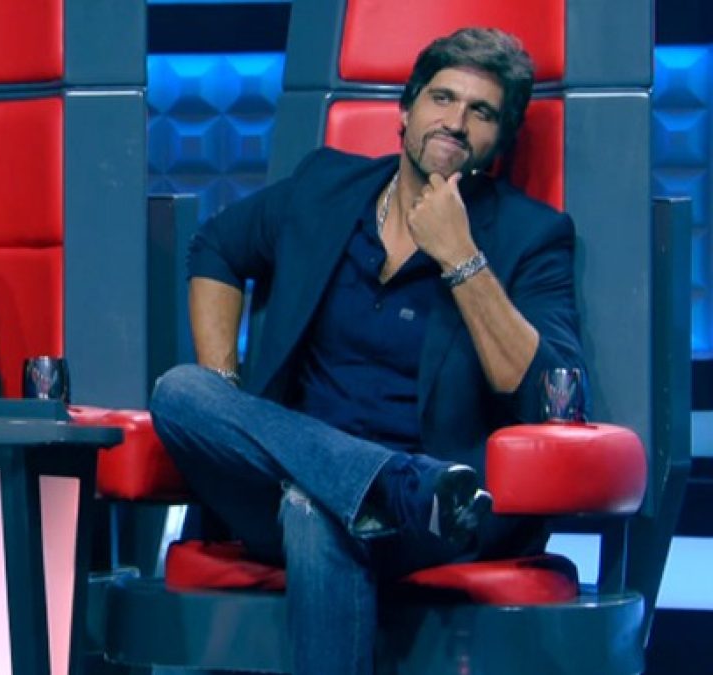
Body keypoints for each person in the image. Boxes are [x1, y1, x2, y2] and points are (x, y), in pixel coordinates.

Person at [149, 27, 583, 674]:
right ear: (406, 110)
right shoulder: (325, 188)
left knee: (317, 507)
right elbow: (216, 246)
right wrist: (234, 397)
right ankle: (386, 484)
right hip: (305, 482)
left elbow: (548, 393)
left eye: (482, 112)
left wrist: (461, 257)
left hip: (438, 518)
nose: (456, 121)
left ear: (500, 141)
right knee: (182, 390)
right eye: (442, 98)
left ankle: (379, 489)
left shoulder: (532, 237)